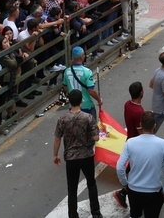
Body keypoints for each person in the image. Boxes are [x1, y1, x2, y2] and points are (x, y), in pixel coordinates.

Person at [53, 89, 102, 218]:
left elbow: (57, 138)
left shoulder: (63, 119)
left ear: (69, 101)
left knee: (72, 188)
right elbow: (96, 137)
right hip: (86, 155)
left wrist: (55, 155)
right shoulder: (88, 118)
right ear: (81, 101)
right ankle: (96, 213)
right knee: (91, 184)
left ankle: (73, 215)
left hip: (71, 158)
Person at [116, 111, 164, 218]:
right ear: (154, 126)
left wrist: (125, 184)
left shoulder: (130, 142)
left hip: (134, 190)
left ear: (141, 125)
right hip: (154, 192)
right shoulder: (163, 144)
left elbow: (120, 167)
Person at [112, 81, 145, 209]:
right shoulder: (138, 112)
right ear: (141, 93)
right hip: (137, 144)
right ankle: (123, 193)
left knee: (133, 169)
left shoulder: (127, 104)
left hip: (130, 140)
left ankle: (124, 192)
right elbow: (141, 131)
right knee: (139, 172)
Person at [62, 46, 103, 122]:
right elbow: (91, 91)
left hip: (73, 106)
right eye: (84, 54)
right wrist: (99, 100)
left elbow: (65, 88)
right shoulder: (87, 71)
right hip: (86, 106)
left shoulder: (67, 71)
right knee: (91, 129)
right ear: (81, 57)